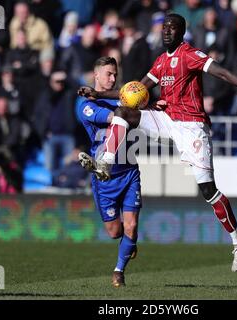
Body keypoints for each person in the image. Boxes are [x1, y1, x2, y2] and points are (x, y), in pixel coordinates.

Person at [77, 14, 237, 273]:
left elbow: (220, 72)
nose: (167, 31)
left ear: (181, 32)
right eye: (164, 27)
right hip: (166, 119)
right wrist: (98, 94)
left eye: (172, 28)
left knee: (208, 191)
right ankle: (107, 163)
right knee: (124, 111)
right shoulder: (160, 62)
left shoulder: (189, 54)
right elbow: (134, 91)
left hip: (192, 127)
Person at [77, 57, 140, 287]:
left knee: (131, 225)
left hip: (130, 170)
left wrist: (149, 104)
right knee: (116, 232)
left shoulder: (123, 98)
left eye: (115, 74)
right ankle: (128, 242)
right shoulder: (86, 104)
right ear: (96, 76)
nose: (113, 79)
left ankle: (118, 271)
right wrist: (130, 111)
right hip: (105, 177)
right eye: (108, 74)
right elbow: (116, 118)